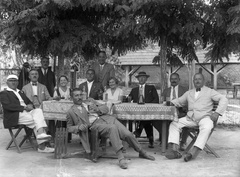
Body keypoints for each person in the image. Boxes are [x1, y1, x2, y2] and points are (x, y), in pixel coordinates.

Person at [66, 88, 155, 169]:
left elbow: (106, 109)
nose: (79, 97)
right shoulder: (71, 111)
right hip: (94, 125)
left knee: (127, 134)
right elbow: (69, 127)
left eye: (80, 95)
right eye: (76, 95)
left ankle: (141, 152)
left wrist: (97, 109)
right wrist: (78, 127)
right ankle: (121, 158)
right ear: (72, 98)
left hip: (107, 118)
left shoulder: (90, 101)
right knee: (112, 128)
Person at [165, 73, 228, 162]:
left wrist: (217, 113)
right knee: (174, 123)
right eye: (195, 79)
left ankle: (192, 153)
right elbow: (179, 101)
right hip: (191, 118)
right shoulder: (189, 92)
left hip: (204, 118)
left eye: (199, 79)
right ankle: (174, 151)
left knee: (207, 127)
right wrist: (170, 103)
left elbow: (224, 99)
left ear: (203, 81)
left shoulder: (209, 91)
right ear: (193, 81)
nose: (197, 81)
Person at [0, 74, 54, 153]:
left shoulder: (20, 92)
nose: (13, 82)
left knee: (38, 111)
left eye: (15, 81)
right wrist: (24, 108)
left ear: (18, 82)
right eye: (11, 81)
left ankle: (41, 137)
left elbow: (29, 102)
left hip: (26, 113)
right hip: (15, 116)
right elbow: (7, 106)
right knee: (38, 121)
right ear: (7, 82)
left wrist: (30, 105)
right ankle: (42, 146)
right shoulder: (4, 93)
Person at [154, 73, 188, 150]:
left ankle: (183, 142)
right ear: (170, 80)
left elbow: (187, 102)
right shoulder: (166, 91)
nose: (173, 80)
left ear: (179, 80)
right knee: (156, 121)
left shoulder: (184, 90)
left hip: (181, 112)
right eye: (172, 79)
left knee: (186, 119)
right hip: (167, 113)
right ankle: (166, 139)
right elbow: (161, 102)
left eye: (175, 79)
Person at [128, 71, 159, 148]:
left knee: (146, 117)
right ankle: (150, 138)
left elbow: (156, 100)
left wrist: (148, 106)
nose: (141, 79)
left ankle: (139, 130)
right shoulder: (134, 90)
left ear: (146, 79)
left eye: (143, 77)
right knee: (146, 120)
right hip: (137, 112)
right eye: (140, 77)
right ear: (138, 79)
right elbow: (128, 99)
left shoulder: (151, 88)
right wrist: (127, 98)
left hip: (149, 111)